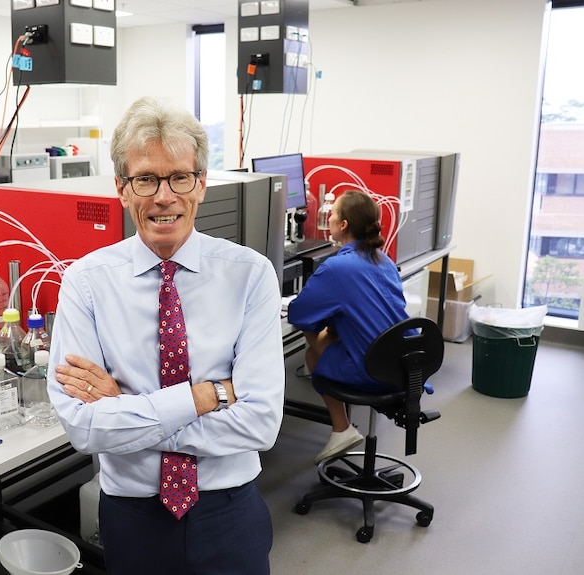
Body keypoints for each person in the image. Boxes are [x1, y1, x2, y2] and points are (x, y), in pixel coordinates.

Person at [46, 96, 285, 575]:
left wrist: (126, 411)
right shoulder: (86, 283)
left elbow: (260, 424)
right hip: (133, 515)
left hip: (229, 509)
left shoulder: (250, 275)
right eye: (146, 179)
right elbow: (84, 427)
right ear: (122, 188)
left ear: (200, 185)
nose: (163, 196)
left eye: (179, 177)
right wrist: (206, 396)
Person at [287, 190, 410, 463]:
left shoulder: (337, 267)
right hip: (407, 366)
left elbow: (299, 313)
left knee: (311, 345)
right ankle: (342, 429)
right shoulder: (385, 261)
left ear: (343, 225)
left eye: (332, 214)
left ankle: (341, 428)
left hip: (371, 372)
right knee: (335, 327)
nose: (328, 218)